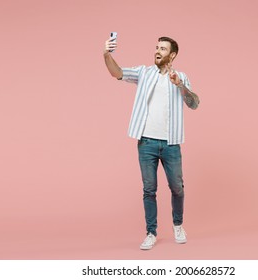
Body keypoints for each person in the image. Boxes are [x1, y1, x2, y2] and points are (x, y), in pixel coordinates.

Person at [103, 35, 200, 250]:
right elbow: (117, 73)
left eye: (163, 49)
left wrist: (181, 85)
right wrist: (106, 54)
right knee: (149, 189)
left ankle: (178, 225)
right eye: (156, 47)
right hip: (146, 142)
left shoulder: (181, 76)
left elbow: (194, 103)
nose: (157, 51)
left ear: (172, 55)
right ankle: (151, 232)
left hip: (171, 143)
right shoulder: (144, 73)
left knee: (177, 187)